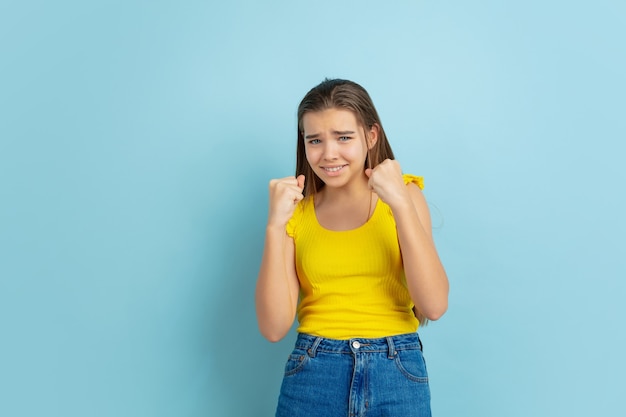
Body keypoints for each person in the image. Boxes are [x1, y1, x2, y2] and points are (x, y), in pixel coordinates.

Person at [255, 78, 449, 417]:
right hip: (313, 373)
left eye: (343, 137)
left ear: (371, 136)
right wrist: (274, 226)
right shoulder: (296, 213)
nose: (328, 153)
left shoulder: (406, 196)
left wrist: (400, 205)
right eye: (314, 140)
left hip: (397, 372)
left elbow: (432, 305)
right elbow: (273, 328)